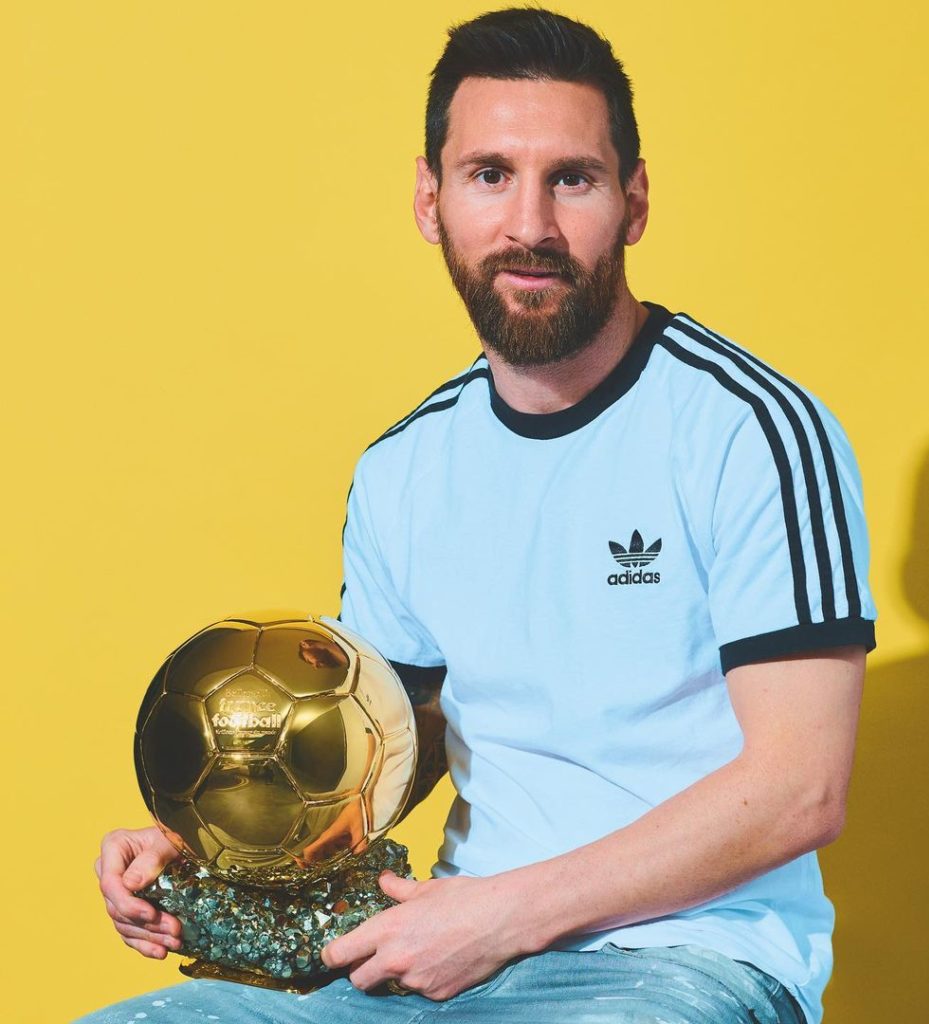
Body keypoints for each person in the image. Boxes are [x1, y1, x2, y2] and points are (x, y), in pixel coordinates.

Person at [81, 8, 877, 1024]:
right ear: (431, 199)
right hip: (443, 955)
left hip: (683, 961)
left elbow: (801, 789)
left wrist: (500, 916)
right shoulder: (403, 468)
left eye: (572, 179)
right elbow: (385, 750)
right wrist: (211, 844)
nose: (529, 226)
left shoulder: (749, 430)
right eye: (490, 174)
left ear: (634, 201)